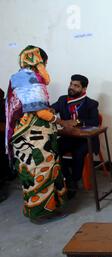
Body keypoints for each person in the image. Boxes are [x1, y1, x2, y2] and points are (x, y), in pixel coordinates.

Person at [5, 45, 72, 222]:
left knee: (32, 173)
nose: (45, 68)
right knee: (41, 172)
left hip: (25, 135)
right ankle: (42, 214)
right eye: (44, 63)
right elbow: (40, 112)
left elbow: (30, 108)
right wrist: (61, 122)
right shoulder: (29, 78)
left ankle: (35, 210)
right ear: (38, 62)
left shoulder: (18, 78)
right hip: (35, 138)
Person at [51, 74, 99, 196]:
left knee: (78, 153)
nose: (71, 87)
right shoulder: (63, 100)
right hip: (68, 137)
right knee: (53, 149)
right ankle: (68, 179)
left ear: (84, 89)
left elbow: (95, 122)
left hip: (85, 139)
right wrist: (47, 111)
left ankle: (75, 179)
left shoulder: (91, 104)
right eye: (71, 84)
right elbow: (51, 111)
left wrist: (77, 121)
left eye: (76, 86)